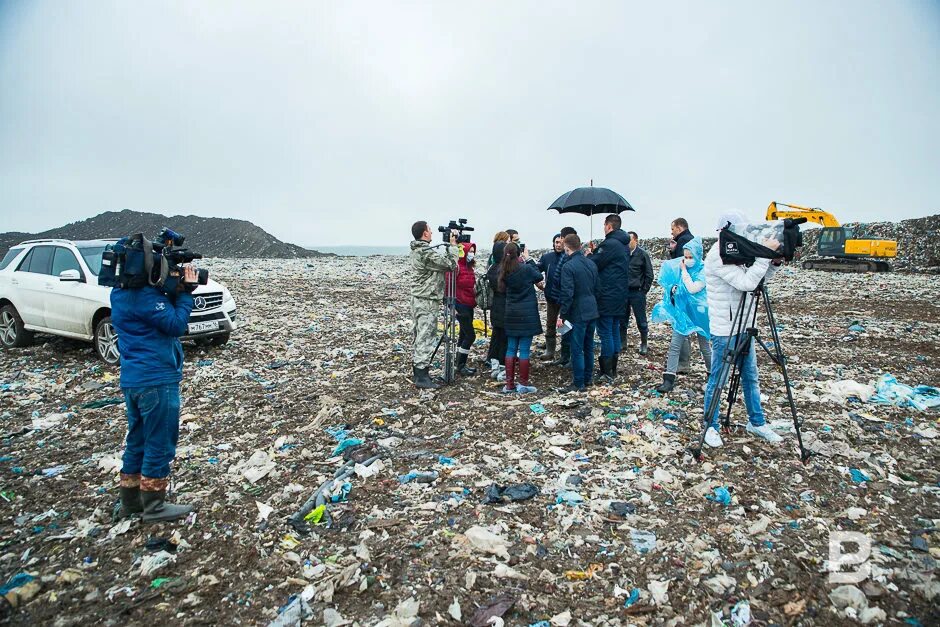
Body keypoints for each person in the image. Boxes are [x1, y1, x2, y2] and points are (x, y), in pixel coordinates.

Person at [113, 264, 198, 523]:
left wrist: (170, 289)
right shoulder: (146, 297)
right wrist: (186, 294)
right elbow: (175, 324)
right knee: (159, 442)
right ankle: (154, 505)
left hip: (133, 379)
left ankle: (130, 501)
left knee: (137, 439)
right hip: (156, 378)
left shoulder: (118, 294)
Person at [701, 214, 783, 448]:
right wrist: (763, 254)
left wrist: (772, 263)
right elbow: (746, 283)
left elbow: (757, 280)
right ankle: (710, 426)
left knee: (751, 377)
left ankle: (756, 422)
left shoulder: (737, 251)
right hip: (725, 329)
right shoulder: (717, 255)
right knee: (718, 380)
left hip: (745, 324)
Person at [651, 237, 712, 393]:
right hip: (683, 312)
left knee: (705, 346)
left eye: (691, 257)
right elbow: (676, 285)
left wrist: (684, 271)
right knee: (675, 345)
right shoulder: (682, 269)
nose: (687, 260)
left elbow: (693, 288)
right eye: (685, 256)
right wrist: (673, 289)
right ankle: (669, 378)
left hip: (699, 313)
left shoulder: (703, 270)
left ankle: (714, 375)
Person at [409, 221, 459, 389]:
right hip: (427, 300)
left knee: (420, 334)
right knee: (426, 335)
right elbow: (450, 265)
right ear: (424, 233)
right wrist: (452, 247)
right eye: (429, 230)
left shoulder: (418, 250)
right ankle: (422, 377)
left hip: (420, 298)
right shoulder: (425, 253)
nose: (431, 233)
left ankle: (420, 371)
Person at [586, 214, 630, 383]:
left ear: (609, 226)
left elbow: (595, 263)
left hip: (607, 295)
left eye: (604, 225)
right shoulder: (622, 245)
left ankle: (607, 370)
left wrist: (591, 254)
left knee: (605, 332)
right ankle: (612, 368)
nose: (603, 228)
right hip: (619, 295)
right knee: (613, 330)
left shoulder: (610, 244)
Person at [499, 242, 543, 393]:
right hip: (527, 314)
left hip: (511, 313)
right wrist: (529, 259)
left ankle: (509, 385)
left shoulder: (504, 270)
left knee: (511, 348)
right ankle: (523, 384)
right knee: (524, 350)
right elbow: (538, 276)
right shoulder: (526, 268)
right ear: (519, 253)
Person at [557, 234, 599, 392]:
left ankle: (578, 382)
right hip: (592, 308)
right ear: (579, 246)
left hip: (578, 312)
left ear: (567, 247)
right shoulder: (591, 263)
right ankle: (588, 379)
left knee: (577, 348)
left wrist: (562, 315)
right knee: (588, 346)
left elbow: (568, 293)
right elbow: (597, 287)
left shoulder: (568, 266)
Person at [668, 218, 695, 372]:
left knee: (681, 328)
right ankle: (685, 362)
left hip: (683, 290)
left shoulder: (684, 241)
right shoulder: (690, 239)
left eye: (672, 229)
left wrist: (675, 291)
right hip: (690, 290)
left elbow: (680, 266)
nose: (671, 232)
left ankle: (683, 363)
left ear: (679, 227)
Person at [550, 226, 579, 367]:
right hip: (563, 297)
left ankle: (568, 357)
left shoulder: (568, 258)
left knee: (568, 328)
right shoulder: (566, 256)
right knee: (565, 329)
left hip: (567, 298)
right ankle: (564, 355)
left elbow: (560, 278)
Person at [622, 230, 654, 354]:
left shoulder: (642, 254)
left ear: (635, 240)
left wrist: (643, 290)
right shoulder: (623, 254)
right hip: (624, 292)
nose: (627, 243)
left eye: (629, 240)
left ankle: (644, 343)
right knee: (622, 319)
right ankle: (622, 342)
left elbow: (649, 274)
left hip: (637, 292)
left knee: (641, 319)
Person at [536, 234, 565, 361]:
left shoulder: (568, 257)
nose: (558, 245)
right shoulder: (547, 257)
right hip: (551, 297)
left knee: (565, 325)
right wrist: (538, 283)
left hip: (565, 298)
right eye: (556, 242)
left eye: (560, 242)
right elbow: (536, 271)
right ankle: (550, 351)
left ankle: (565, 352)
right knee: (550, 324)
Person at [453, 241, 478, 376]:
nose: (472, 254)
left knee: (463, 334)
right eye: (469, 252)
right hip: (460, 304)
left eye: (473, 252)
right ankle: (461, 364)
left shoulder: (469, 268)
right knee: (470, 335)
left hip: (469, 304)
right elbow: (448, 286)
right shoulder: (457, 268)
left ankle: (458, 364)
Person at [485, 240, 508, 379]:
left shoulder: (492, 268)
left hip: (495, 307)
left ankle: (493, 364)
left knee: (496, 335)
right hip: (505, 306)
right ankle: (502, 367)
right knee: (504, 338)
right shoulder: (504, 270)